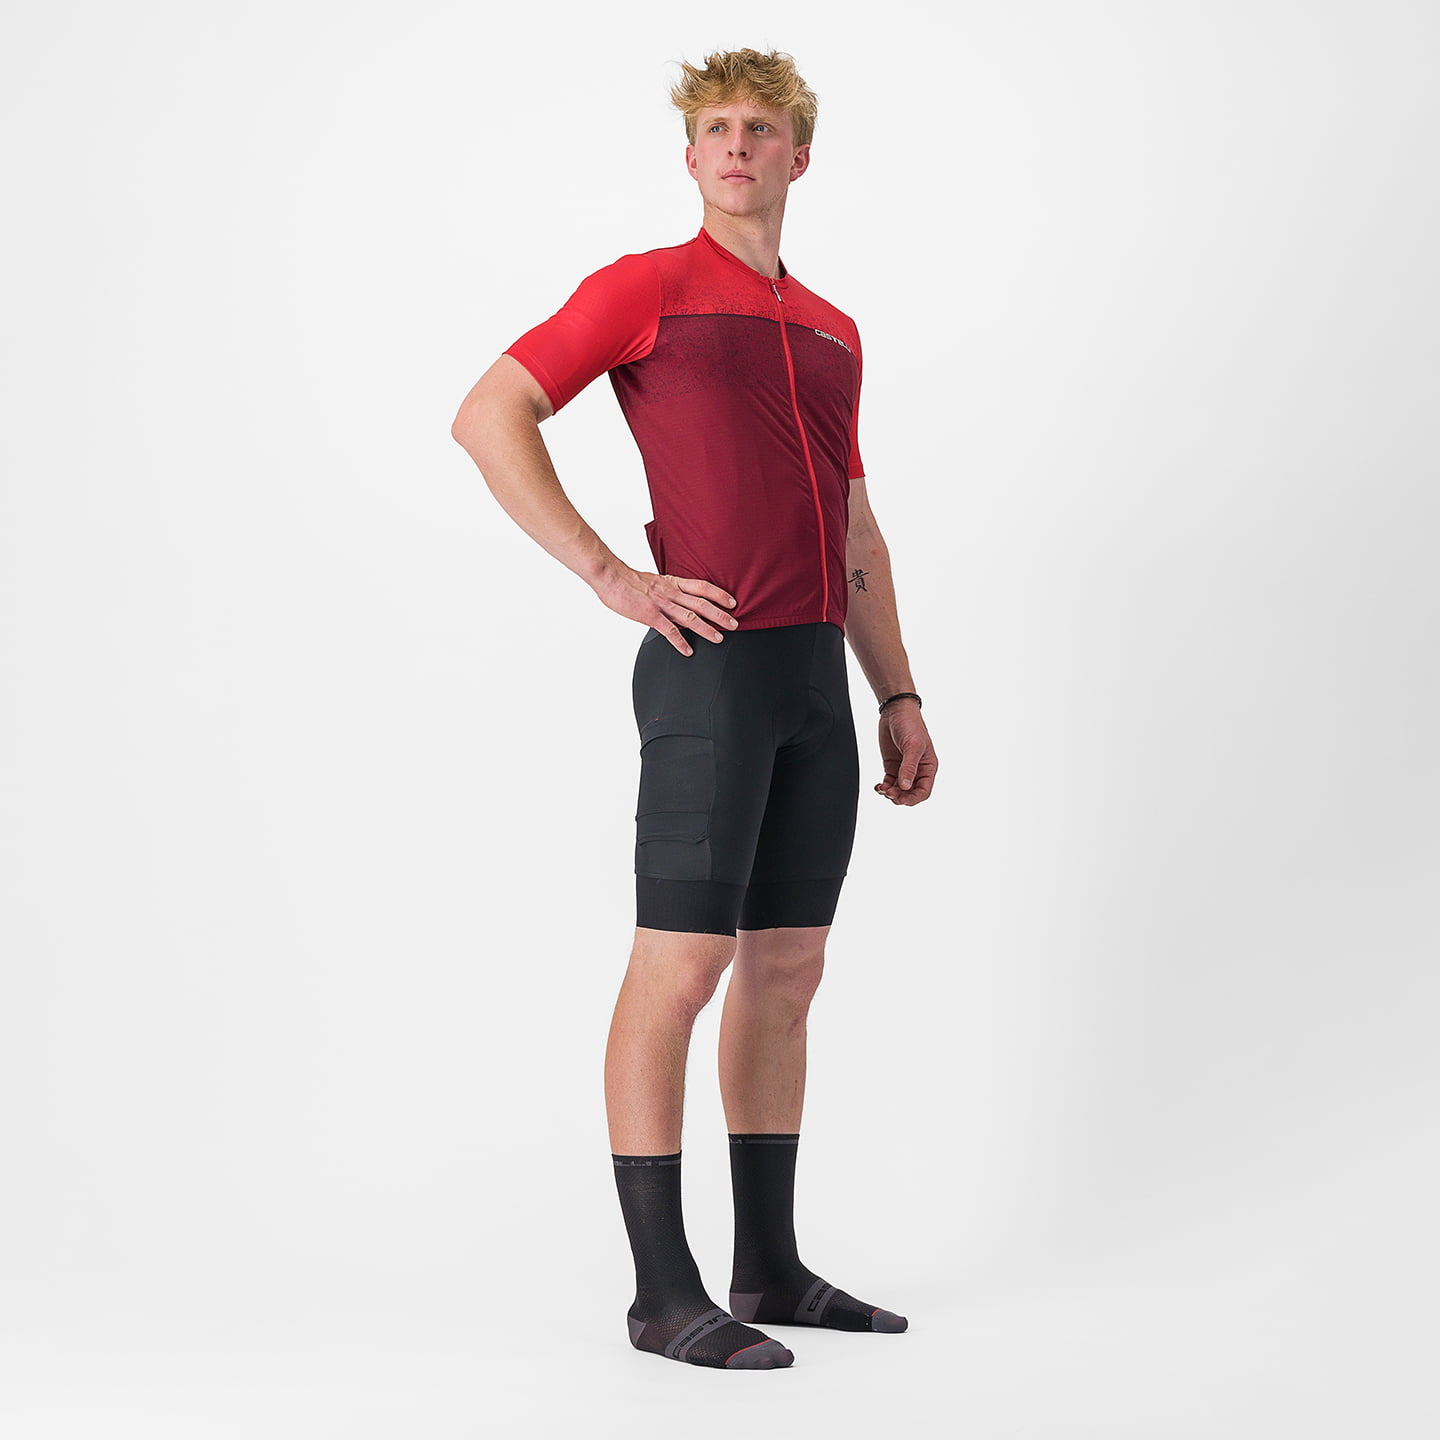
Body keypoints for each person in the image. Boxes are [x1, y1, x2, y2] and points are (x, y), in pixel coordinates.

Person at [451, 47, 937, 1371]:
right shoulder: (646, 288)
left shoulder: (832, 328)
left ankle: (768, 1267)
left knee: (789, 969)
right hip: (709, 672)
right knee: (682, 965)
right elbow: (490, 413)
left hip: (815, 684)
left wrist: (895, 688)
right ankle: (661, 1294)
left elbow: (854, 526)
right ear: (689, 156)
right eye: (715, 126)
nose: (736, 144)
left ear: (798, 156)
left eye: (760, 128)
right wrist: (612, 575)